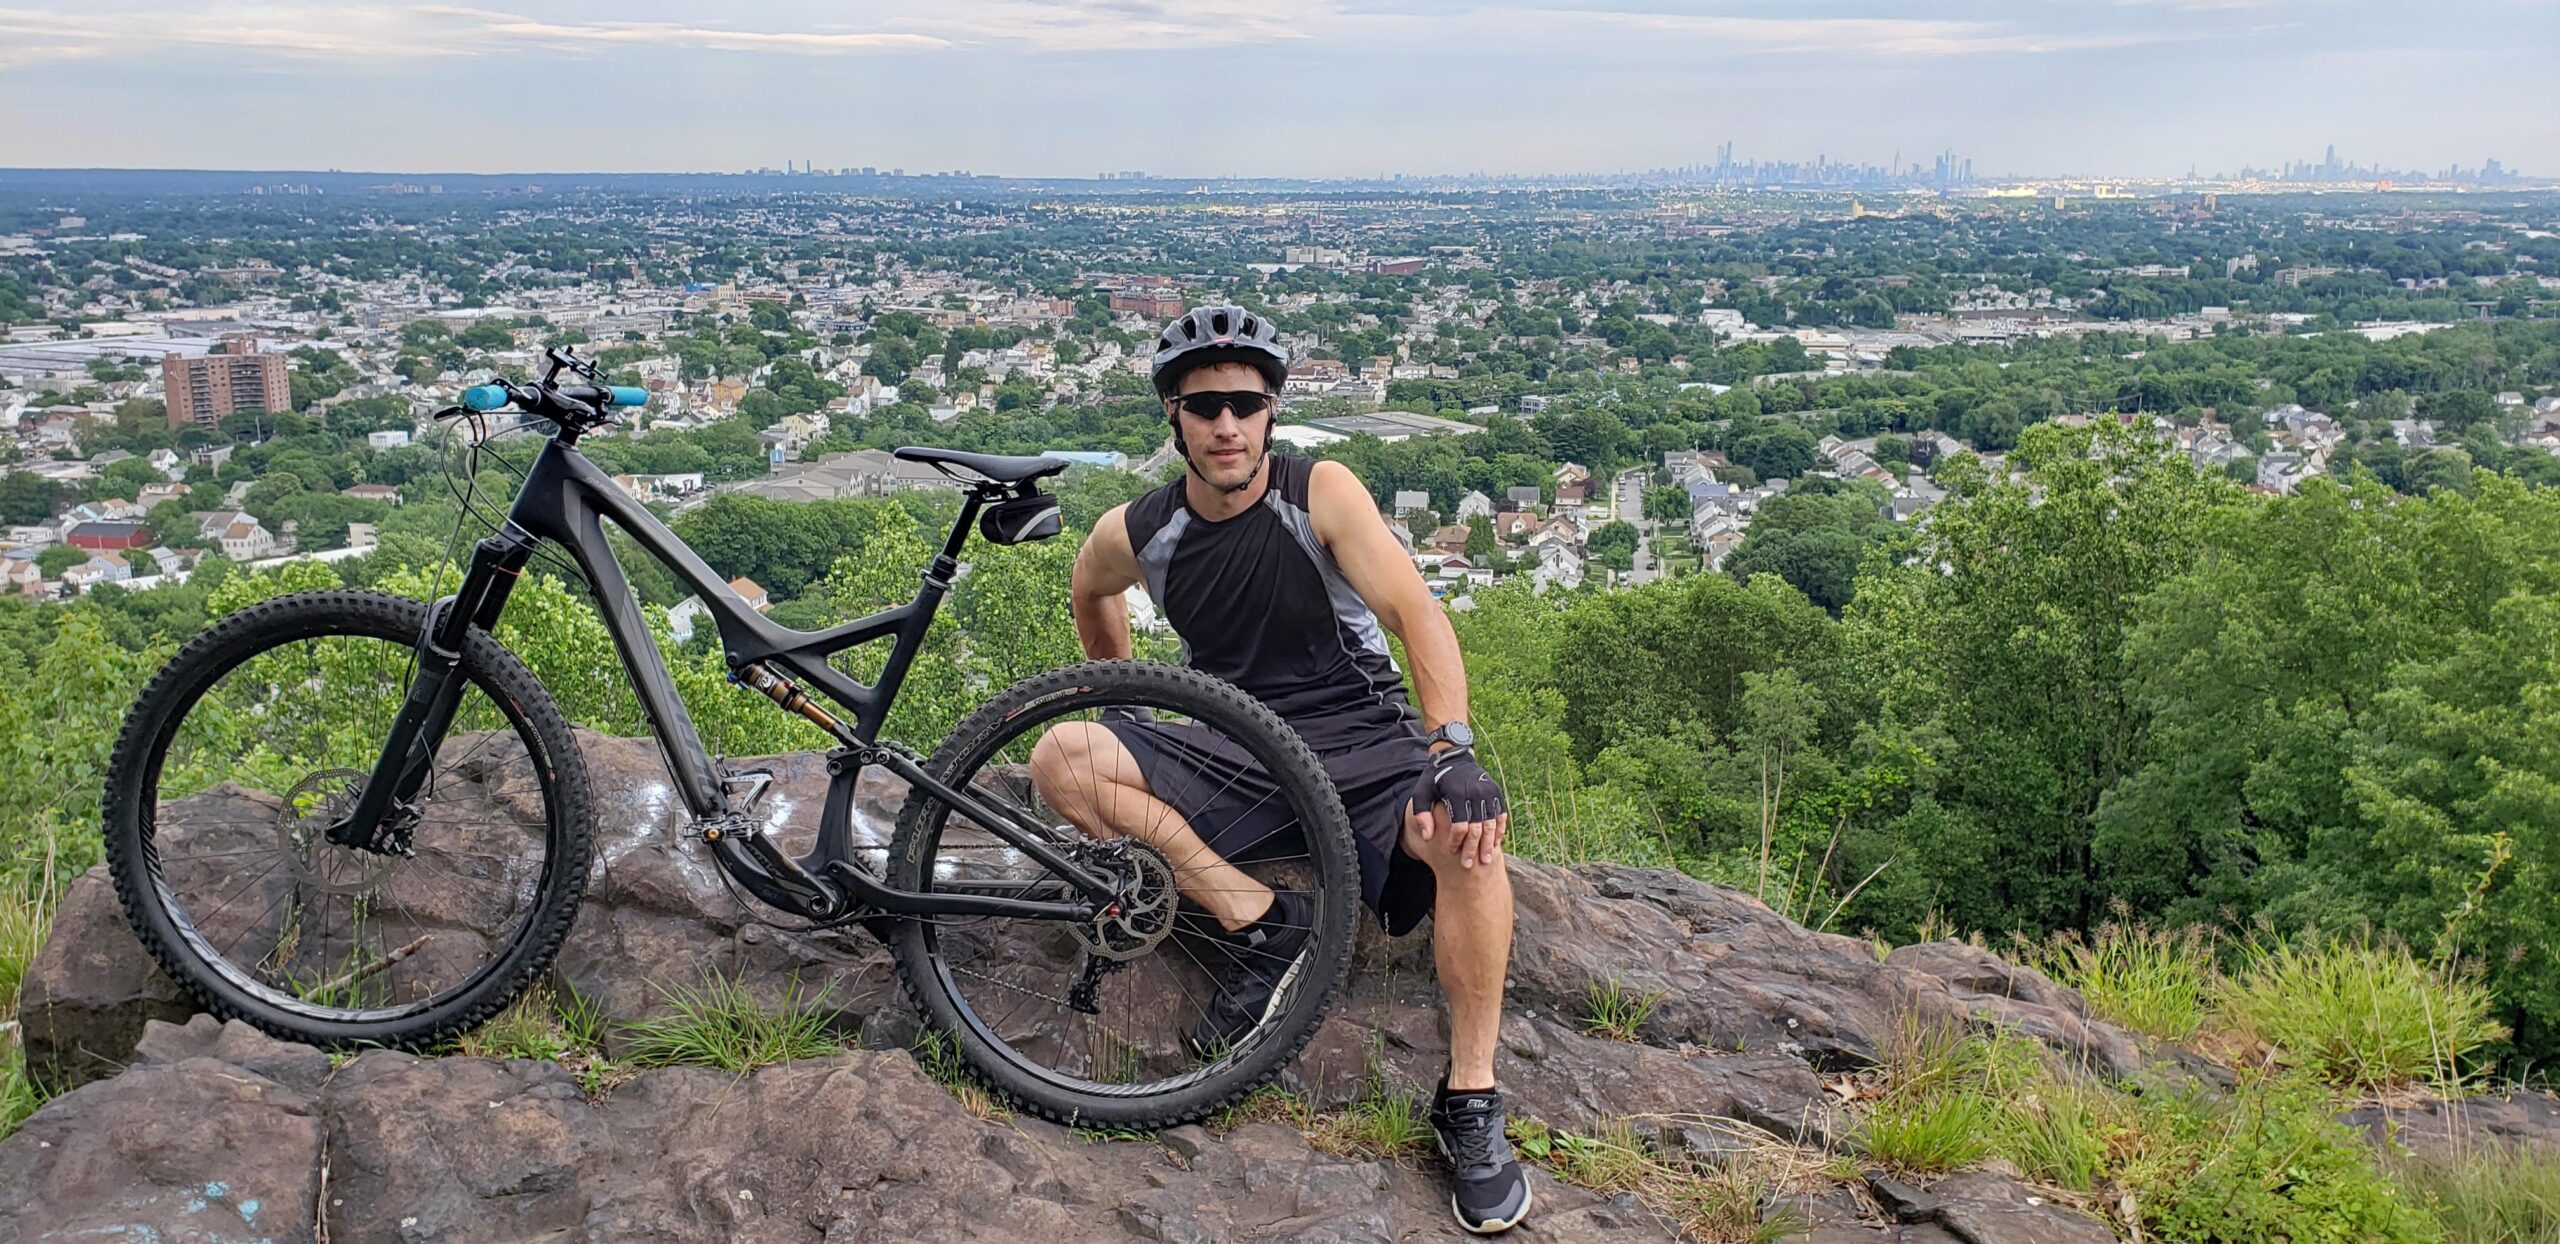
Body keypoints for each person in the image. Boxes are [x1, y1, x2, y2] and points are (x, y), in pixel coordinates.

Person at [1033, 305, 1529, 1235]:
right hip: (1237, 745)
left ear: (1272, 412)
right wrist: (1127, 712)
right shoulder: (1140, 530)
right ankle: (1258, 917)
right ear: (1174, 417)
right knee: (1064, 757)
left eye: (1246, 405)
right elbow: (1089, 590)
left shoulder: (1321, 493)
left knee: (1469, 841)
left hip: (1362, 740)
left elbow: (1417, 616)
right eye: (1205, 405)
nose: (1227, 426)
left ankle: (1470, 1097)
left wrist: (1453, 748)